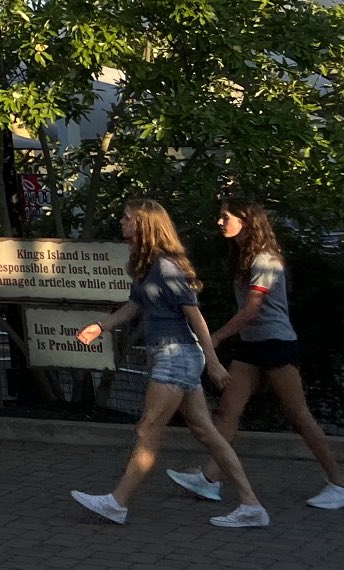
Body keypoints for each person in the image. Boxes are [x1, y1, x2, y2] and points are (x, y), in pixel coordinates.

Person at [70, 199, 267, 527]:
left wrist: (215, 363)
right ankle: (251, 506)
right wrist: (101, 325)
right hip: (175, 356)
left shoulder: (166, 267)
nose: (122, 222)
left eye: (127, 217)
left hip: (177, 356)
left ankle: (117, 503)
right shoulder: (146, 264)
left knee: (148, 428)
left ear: (144, 224)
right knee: (205, 431)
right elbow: (134, 306)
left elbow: (196, 318)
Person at [166, 200, 344, 509]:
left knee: (299, 416)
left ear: (246, 221)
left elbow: (251, 312)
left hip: (275, 344)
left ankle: (338, 483)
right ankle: (210, 479)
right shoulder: (246, 258)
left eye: (226, 217)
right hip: (252, 345)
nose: (220, 221)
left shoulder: (264, 260)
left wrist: (216, 337)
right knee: (227, 411)